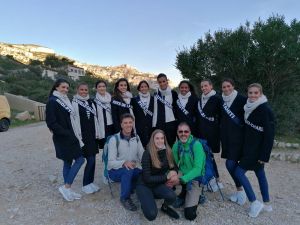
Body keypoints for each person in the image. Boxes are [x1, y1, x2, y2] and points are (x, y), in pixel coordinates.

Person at [234, 83, 275, 218]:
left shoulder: (265, 110)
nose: (252, 95)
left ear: (261, 94)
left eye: (255, 93)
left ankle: (254, 201)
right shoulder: (248, 107)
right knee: (260, 173)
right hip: (248, 148)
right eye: (250, 93)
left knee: (238, 172)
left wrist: (264, 155)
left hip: (257, 151)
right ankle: (267, 203)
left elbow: (269, 136)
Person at [46, 78, 84, 201]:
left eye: (67, 88)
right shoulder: (53, 101)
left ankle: (68, 190)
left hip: (70, 135)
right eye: (63, 87)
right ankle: (66, 187)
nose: (65, 90)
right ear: (56, 87)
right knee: (80, 159)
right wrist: (67, 133)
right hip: (64, 137)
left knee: (67, 162)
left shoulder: (65, 100)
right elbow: (51, 122)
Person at [136, 129, 180, 221]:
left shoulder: (168, 151)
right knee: (151, 215)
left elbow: (174, 167)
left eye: (162, 138)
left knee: (172, 196)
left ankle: (165, 207)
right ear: (153, 140)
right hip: (144, 185)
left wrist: (174, 173)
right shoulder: (147, 153)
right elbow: (147, 178)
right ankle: (145, 201)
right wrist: (166, 177)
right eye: (157, 138)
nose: (160, 141)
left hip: (157, 184)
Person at [107, 113, 144, 211]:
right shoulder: (114, 139)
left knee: (144, 172)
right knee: (128, 170)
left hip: (132, 168)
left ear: (133, 123)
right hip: (115, 171)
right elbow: (110, 163)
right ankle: (124, 198)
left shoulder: (136, 137)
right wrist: (124, 162)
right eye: (125, 123)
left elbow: (142, 155)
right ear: (121, 125)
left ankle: (131, 187)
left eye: (130, 122)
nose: (128, 125)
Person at [219, 78, 247, 205]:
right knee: (231, 164)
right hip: (226, 138)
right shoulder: (221, 100)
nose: (226, 89)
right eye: (224, 87)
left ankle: (242, 190)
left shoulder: (241, 99)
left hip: (239, 138)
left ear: (233, 86)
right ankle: (239, 190)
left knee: (230, 164)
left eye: (228, 86)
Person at [172, 122, 206, 221]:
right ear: (177, 133)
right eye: (180, 131)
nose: (183, 134)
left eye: (186, 131)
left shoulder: (196, 145)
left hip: (196, 177)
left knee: (190, 215)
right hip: (184, 175)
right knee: (171, 175)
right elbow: (174, 164)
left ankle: (198, 195)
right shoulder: (176, 145)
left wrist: (181, 179)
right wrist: (172, 176)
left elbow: (198, 169)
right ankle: (184, 191)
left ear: (190, 132)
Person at [72, 83, 100, 194]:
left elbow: (95, 119)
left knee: (93, 160)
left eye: (86, 90)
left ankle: (90, 182)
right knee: (90, 159)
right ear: (77, 90)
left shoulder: (91, 102)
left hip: (92, 135)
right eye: (81, 90)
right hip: (82, 135)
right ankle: (85, 184)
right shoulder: (74, 103)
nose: (84, 92)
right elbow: (74, 121)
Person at [195, 78, 223, 191]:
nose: (203, 88)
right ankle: (209, 178)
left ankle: (216, 179)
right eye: (202, 87)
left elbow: (221, 116)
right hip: (201, 133)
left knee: (210, 156)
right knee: (204, 157)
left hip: (212, 134)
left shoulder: (217, 99)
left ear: (211, 86)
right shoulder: (200, 100)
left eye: (205, 86)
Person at [153, 73, 178, 146]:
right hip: (159, 123)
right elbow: (154, 109)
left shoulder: (173, 93)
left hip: (171, 123)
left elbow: (176, 107)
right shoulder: (155, 94)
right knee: (161, 144)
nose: (162, 83)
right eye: (160, 82)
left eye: (164, 81)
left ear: (167, 81)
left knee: (171, 143)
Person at [132, 80, 154, 147]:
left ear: (148, 88)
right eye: (142, 87)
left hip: (151, 128)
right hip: (139, 128)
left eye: (145, 86)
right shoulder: (134, 100)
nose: (144, 88)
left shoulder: (153, 99)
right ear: (139, 88)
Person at [94, 80, 114, 149]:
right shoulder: (93, 101)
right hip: (102, 128)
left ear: (106, 87)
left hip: (112, 126)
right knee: (106, 148)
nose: (102, 88)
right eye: (99, 87)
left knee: (113, 147)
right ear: (96, 88)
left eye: (103, 86)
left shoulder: (111, 99)